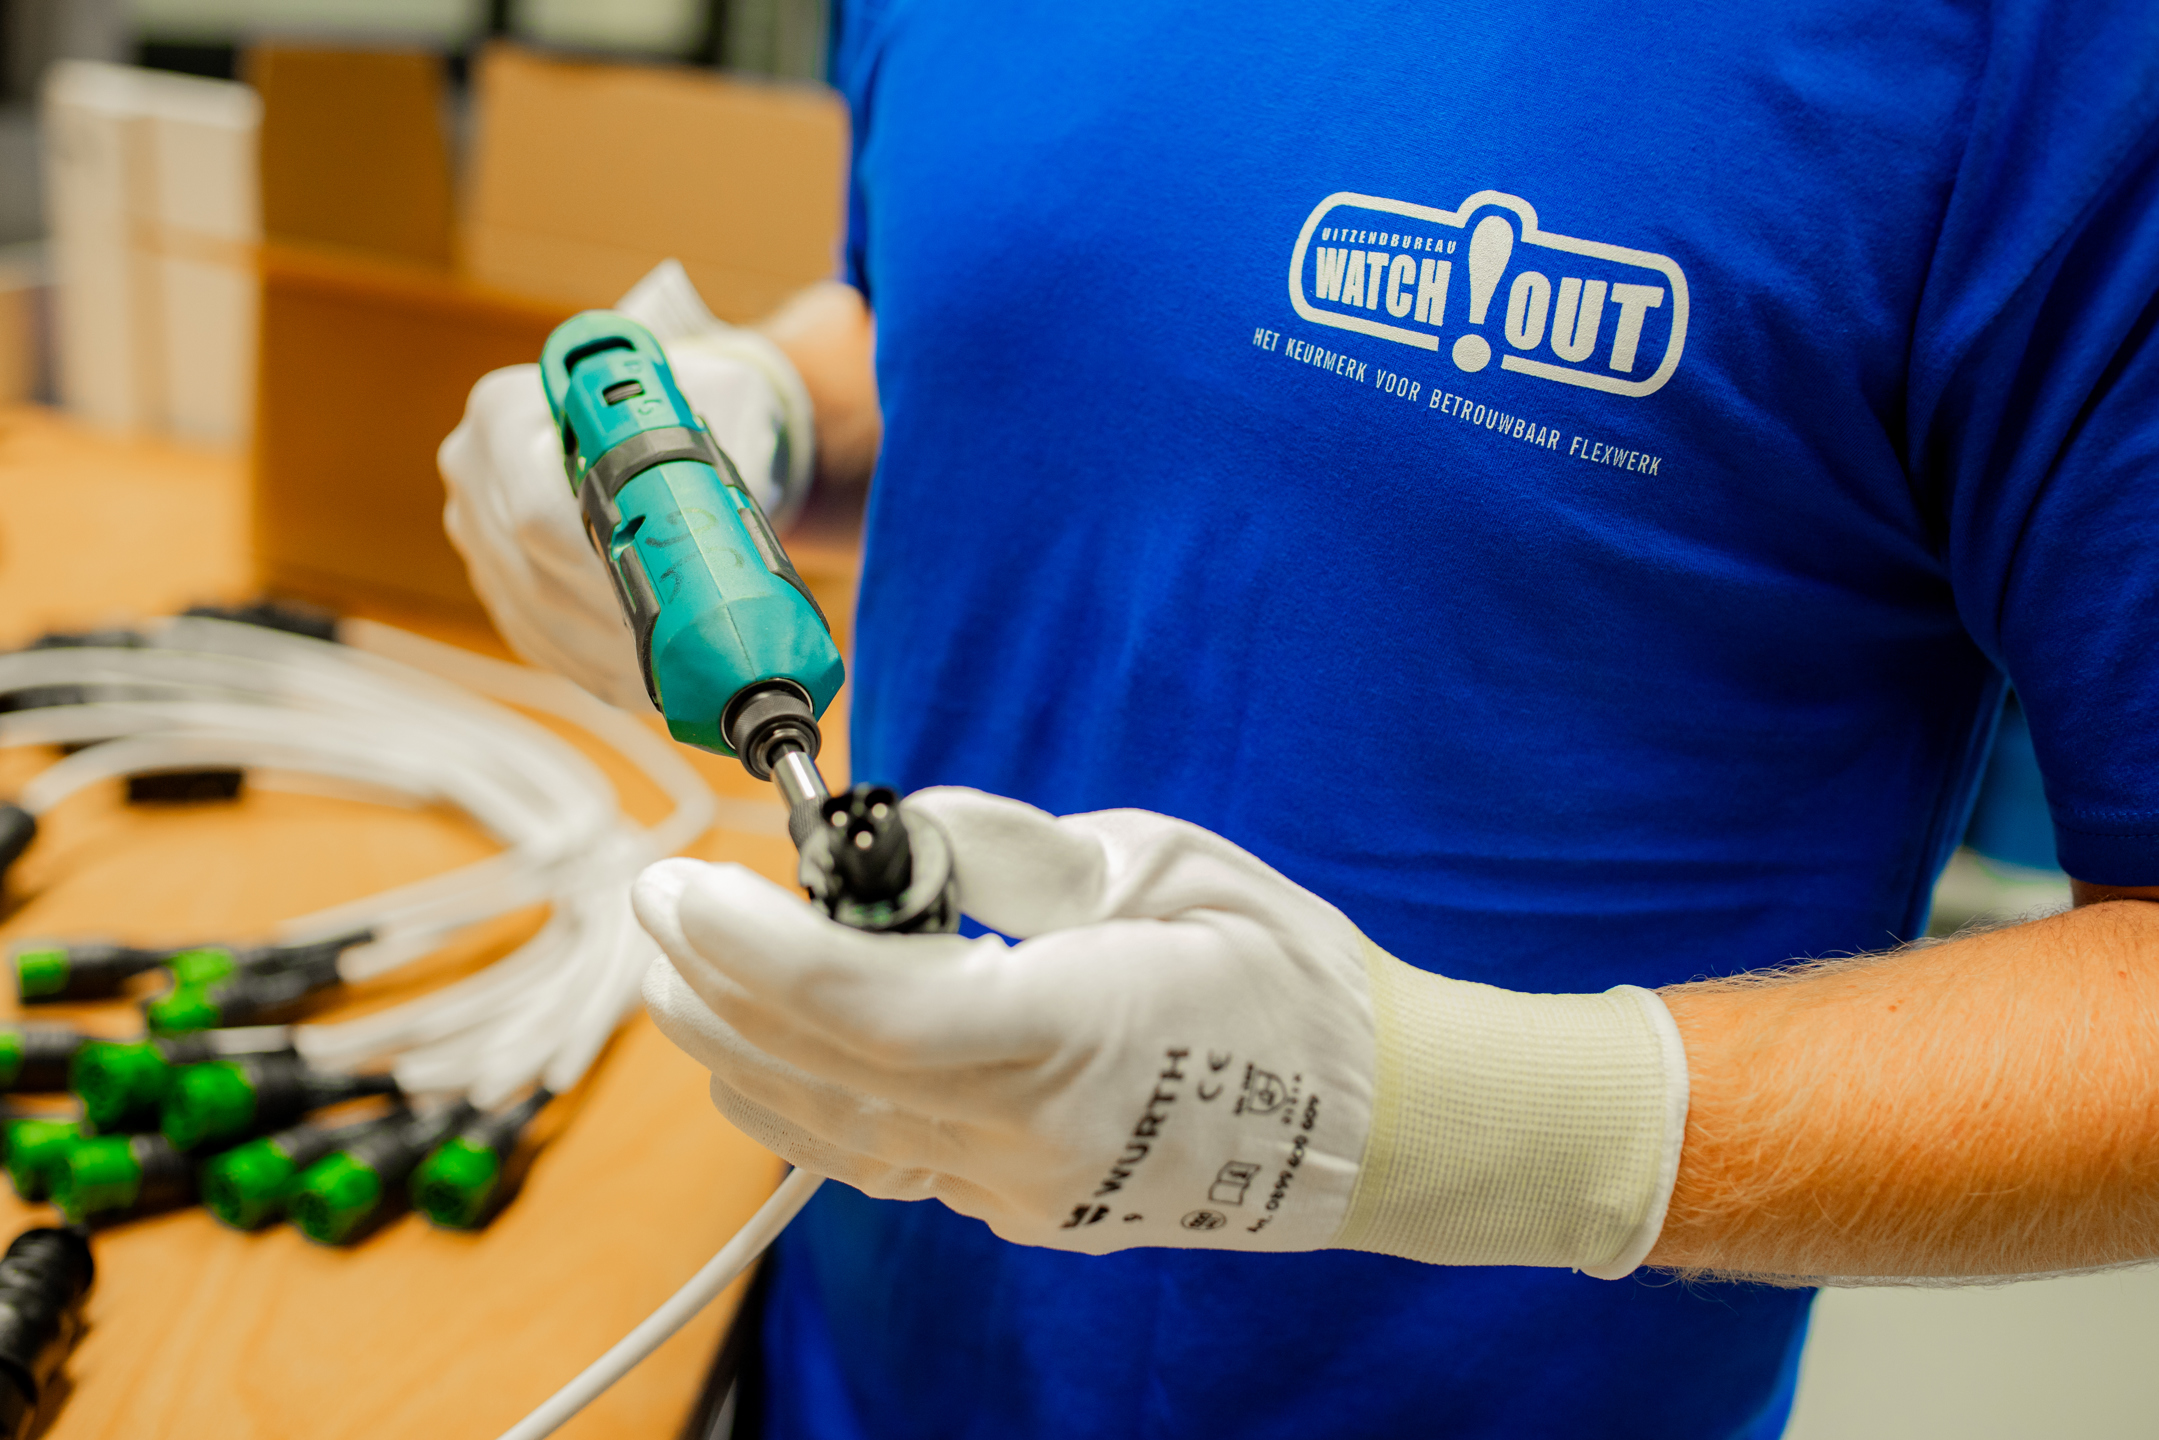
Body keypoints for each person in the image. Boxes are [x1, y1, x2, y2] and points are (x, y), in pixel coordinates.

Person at [440, 2, 2159, 1435]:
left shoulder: (2051, 55)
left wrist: (1456, 1125)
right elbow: (997, 308)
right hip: (858, 1355)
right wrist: (752, 414)